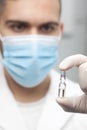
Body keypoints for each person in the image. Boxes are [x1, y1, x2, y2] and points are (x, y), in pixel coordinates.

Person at [0, 0, 87, 130]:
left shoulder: (81, 103)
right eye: (18, 27)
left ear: (60, 31)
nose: (33, 44)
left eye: (46, 28)